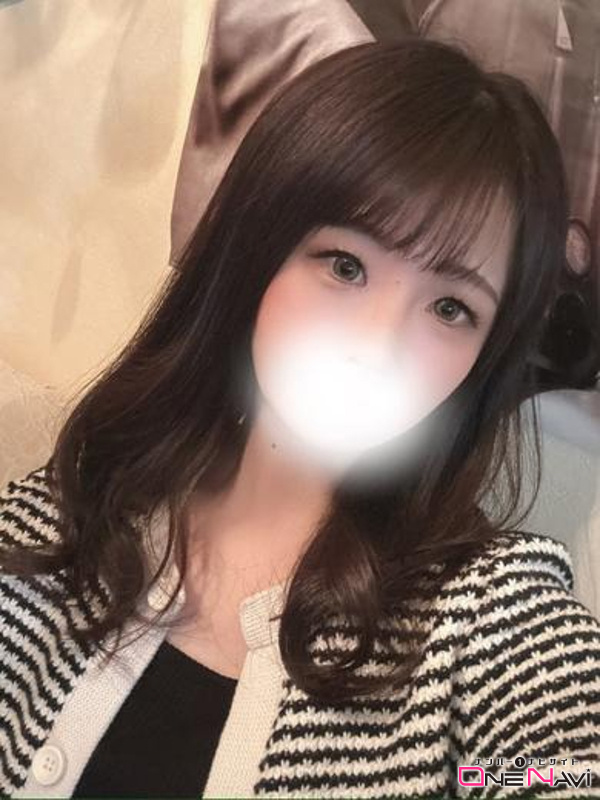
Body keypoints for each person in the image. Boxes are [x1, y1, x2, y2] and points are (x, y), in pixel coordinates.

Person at [0, 38, 599, 799]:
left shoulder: (491, 616)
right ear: (256, 251)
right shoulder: (70, 507)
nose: (377, 346)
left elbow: (565, 768)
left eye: (451, 308)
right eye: (346, 265)